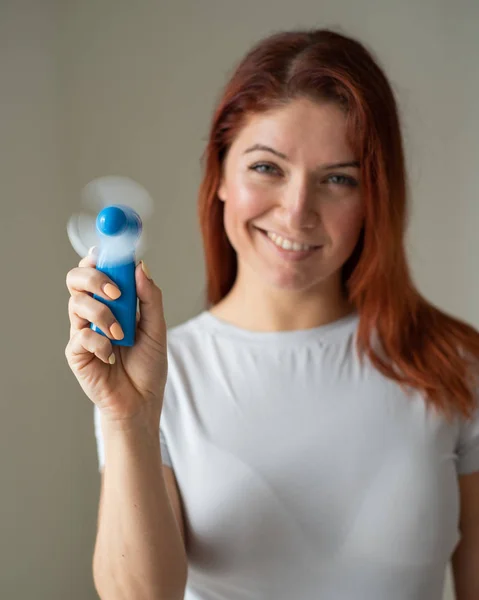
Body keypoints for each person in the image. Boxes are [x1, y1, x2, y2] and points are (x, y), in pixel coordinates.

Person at [65, 28, 479, 600]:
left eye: (338, 178)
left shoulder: (456, 368)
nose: (297, 211)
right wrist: (127, 418)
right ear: (221, 179)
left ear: (374, 198)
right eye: (267, 168)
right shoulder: (157, 376)